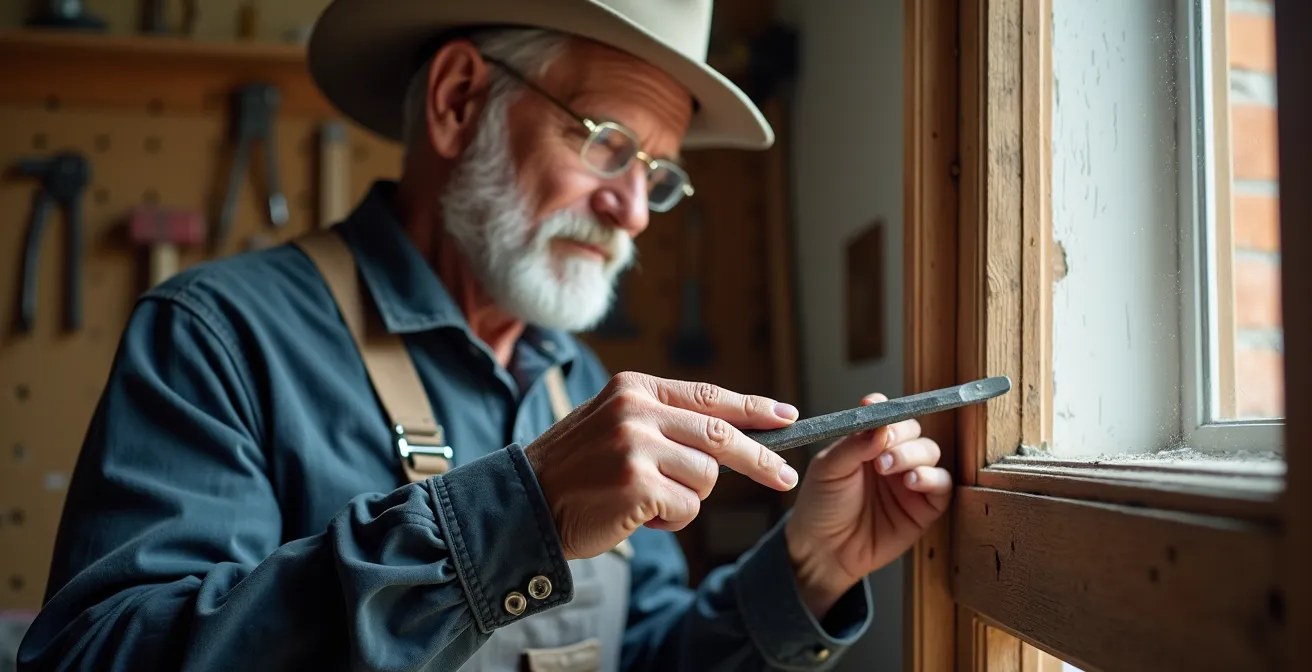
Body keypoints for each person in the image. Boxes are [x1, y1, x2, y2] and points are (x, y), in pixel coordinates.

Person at [17, 1, 951, 670]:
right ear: (460, 100)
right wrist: (518, 514)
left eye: (660, 176)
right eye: (608, 143)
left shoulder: (573, 379)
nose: (633, 211)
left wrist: (810, 568)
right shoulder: (219, 338)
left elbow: (644, 652)